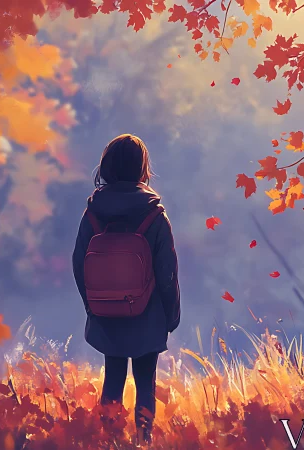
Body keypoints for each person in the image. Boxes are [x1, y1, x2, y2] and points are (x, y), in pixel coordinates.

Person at [72, 134, 181, 444]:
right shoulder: (155, 215)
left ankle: (109, 441)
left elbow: (79, 262)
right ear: (141, 168)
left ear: (107, 166)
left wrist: (93, 305)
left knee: (113, 378)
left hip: (106, 312)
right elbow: (167, 272)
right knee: (145, 381)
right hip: (148, 314)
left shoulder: (93, 213)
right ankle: (143, 441)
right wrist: (170, 315)